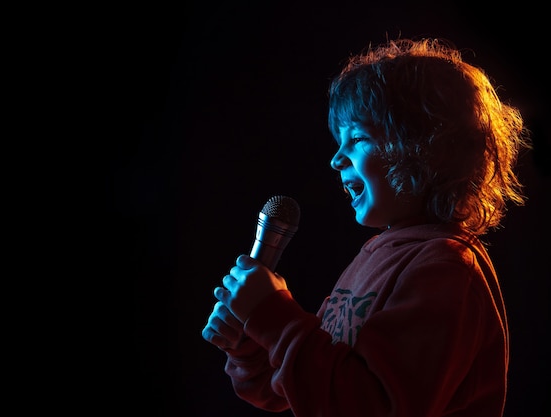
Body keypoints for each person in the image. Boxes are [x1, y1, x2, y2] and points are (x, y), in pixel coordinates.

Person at [201, 37, 531, 417]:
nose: (336, 159)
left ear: (423, 148)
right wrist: (250, 341)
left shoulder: (445, 269)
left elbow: (369, 404)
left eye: (356, 138)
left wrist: (273, 315)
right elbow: (304, 389)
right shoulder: (376, 257)